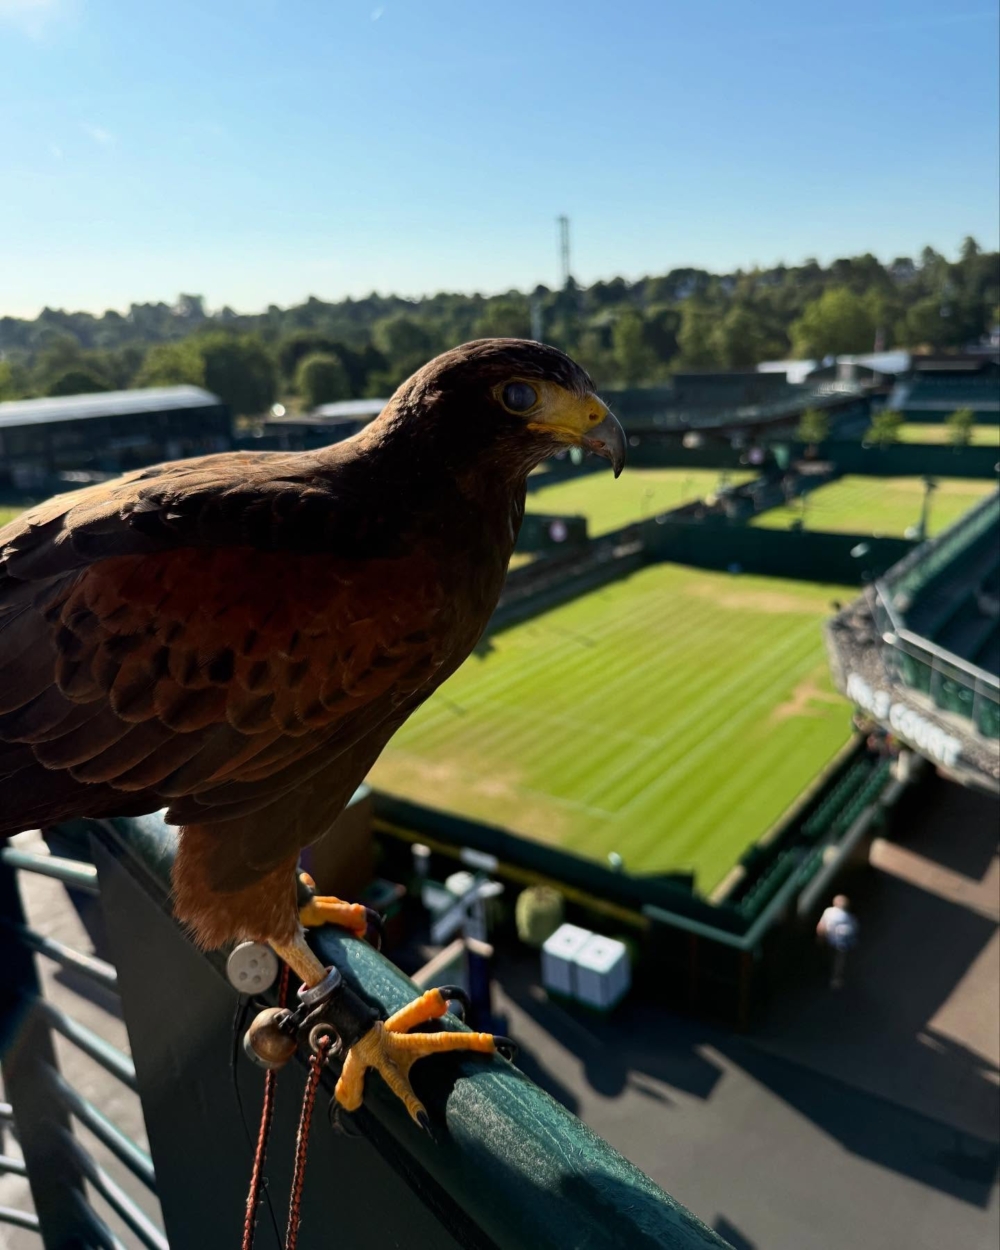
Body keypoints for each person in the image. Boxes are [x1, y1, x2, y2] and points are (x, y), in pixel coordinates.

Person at [816, 895, 859, 989]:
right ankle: (835, 978)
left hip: (830, 940)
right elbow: (853, 930)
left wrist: (820, 937)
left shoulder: (829, 912)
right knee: (838, 961)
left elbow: (821, 926)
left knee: (831, 957)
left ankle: (829, 974)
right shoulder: (849, 918)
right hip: (840, 943)